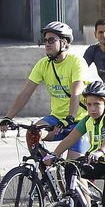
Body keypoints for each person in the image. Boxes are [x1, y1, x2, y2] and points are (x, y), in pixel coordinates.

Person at [3, 21, 88, 154]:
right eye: (45, 40)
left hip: (79, 122)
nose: (47, 44)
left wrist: (70, 118)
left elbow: (76, 92)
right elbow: (25, 93)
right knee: (33, 133)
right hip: (56, 119)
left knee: (71, 169)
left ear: (64, 43)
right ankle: (43, 172)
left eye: (51, 40)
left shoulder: (76, 62)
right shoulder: (43, 64)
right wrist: (8, 117)